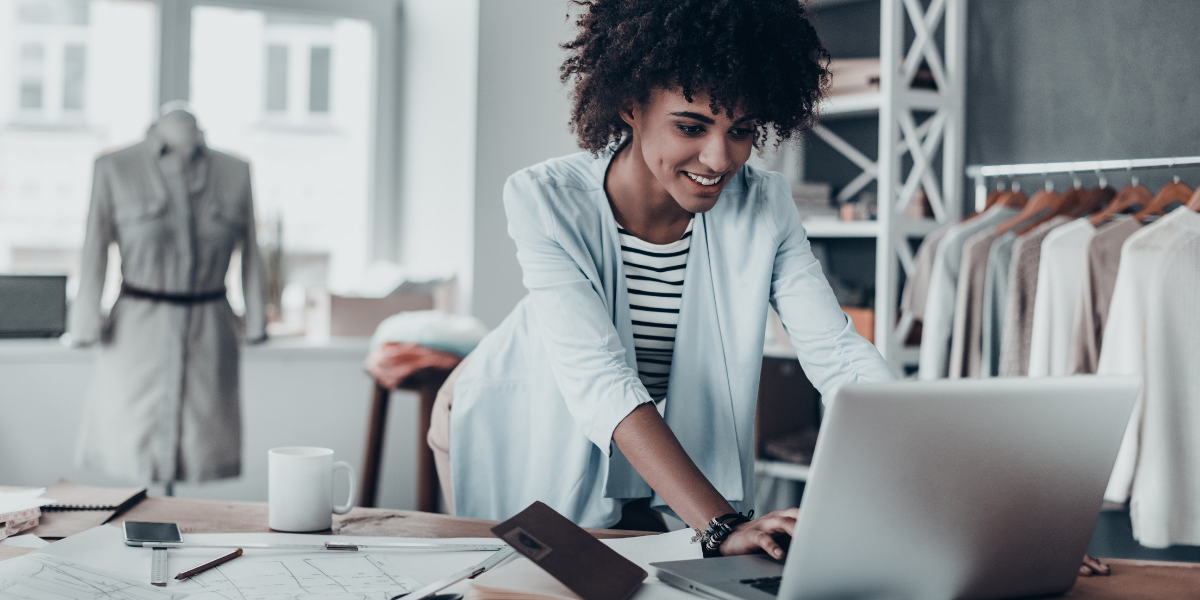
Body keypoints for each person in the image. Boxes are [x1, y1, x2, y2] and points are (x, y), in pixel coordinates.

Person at [428, 0, 889, 558]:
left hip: (640, 435)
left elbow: (836, 352)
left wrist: (917, 456)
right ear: (630, 105)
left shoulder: (765, 206)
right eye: (691, 126)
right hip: (513, 417)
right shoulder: (544, 199)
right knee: (531, 583)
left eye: (741, 130)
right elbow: (601, 377)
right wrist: (719, 525)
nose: (719, 158)